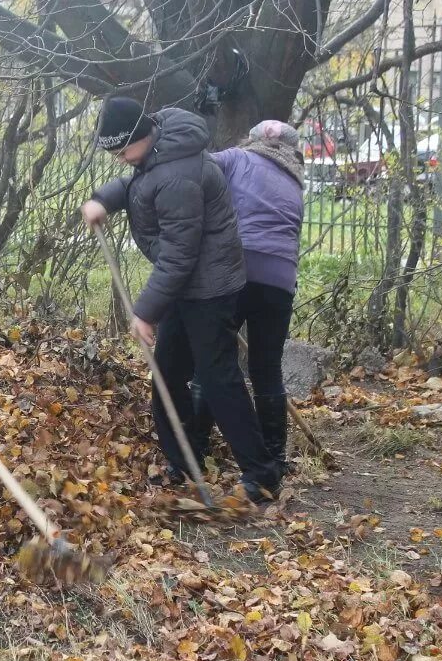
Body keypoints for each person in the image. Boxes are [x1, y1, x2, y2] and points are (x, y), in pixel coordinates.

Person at [80, 97, 280, 502]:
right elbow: (137, 182)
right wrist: (103, 199)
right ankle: (184, 460)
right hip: (187, 285)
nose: (120, 160)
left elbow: (179, 254)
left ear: (143, 136)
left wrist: (145, 312)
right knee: (169, 371)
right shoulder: (159, 148)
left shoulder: (177, 176)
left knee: (218, 376)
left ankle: (261, 475)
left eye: (122, 151)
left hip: (208, 287)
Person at [191, 120, 305, 473]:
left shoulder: (237, 158)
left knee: (213, 360)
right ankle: (275, 457)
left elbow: (196, 167)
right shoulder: (296, 180)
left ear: (251, 140)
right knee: (266, 368)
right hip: (280, 279)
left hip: (237, 269)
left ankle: (194, 449)